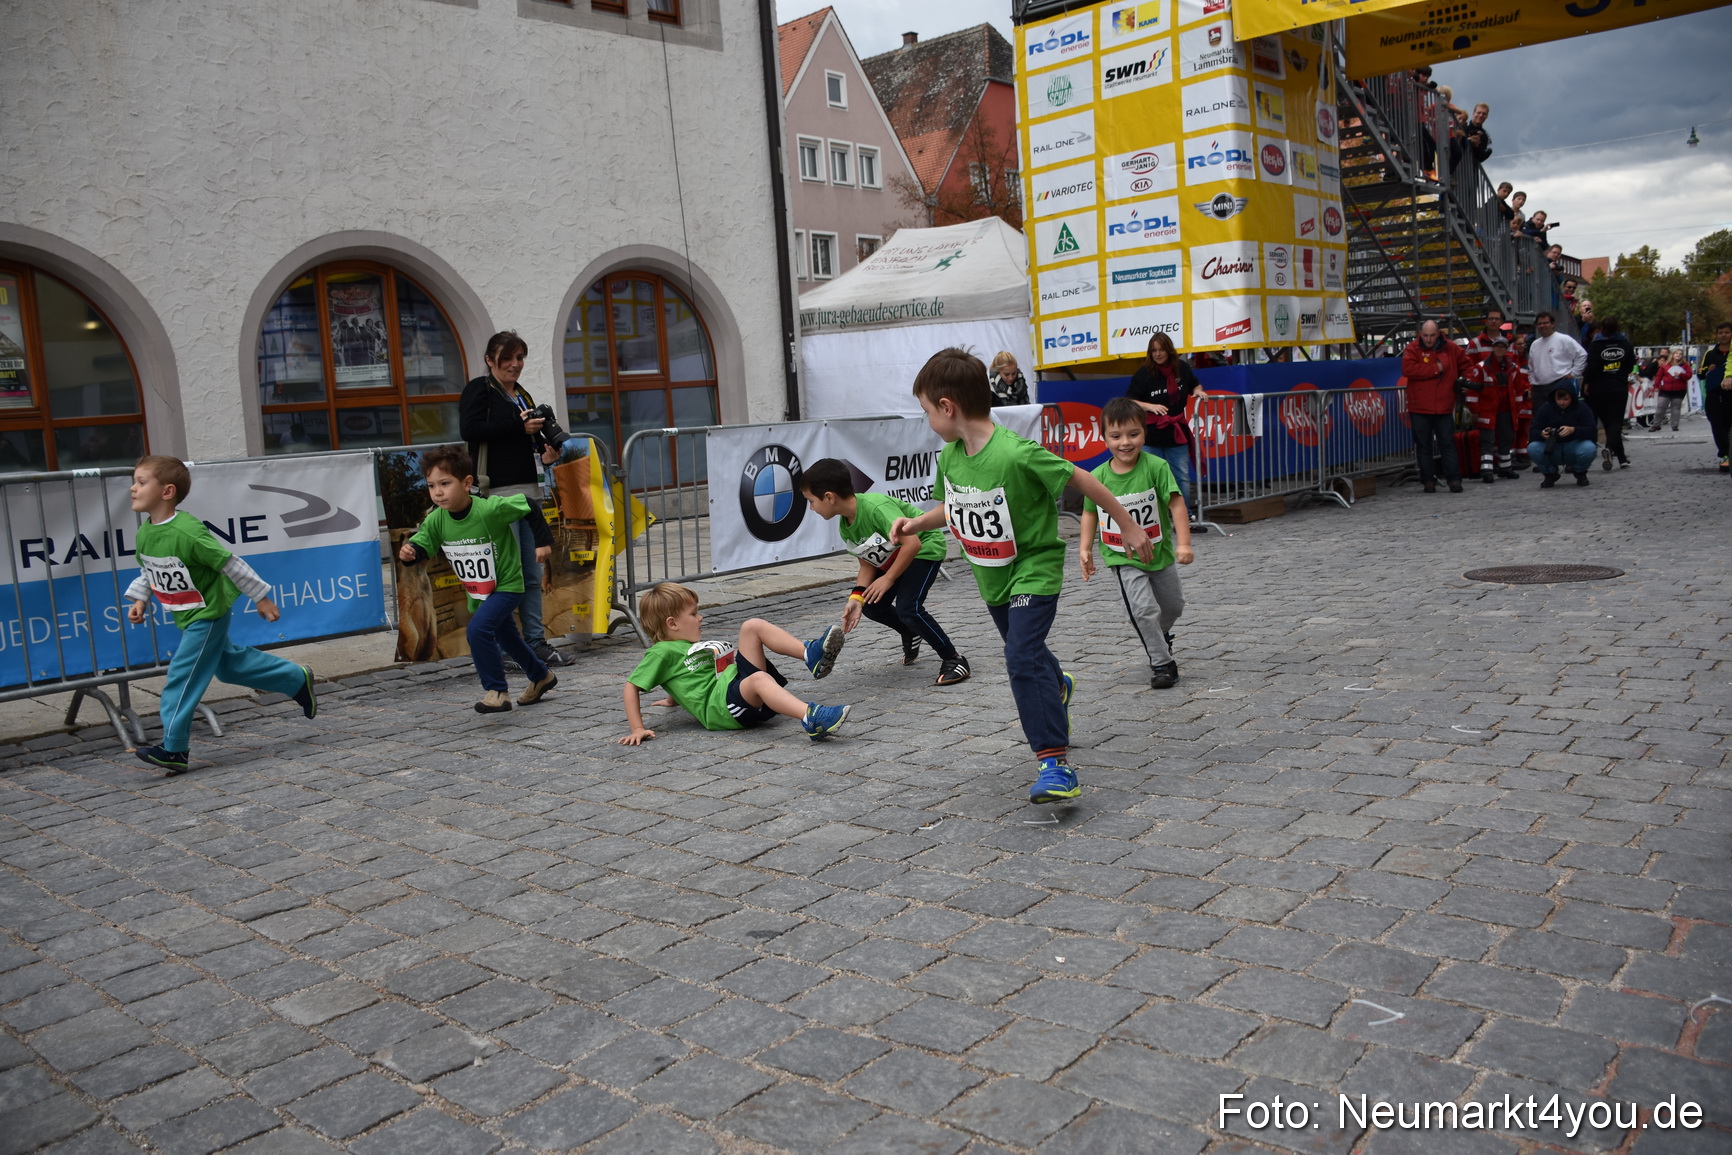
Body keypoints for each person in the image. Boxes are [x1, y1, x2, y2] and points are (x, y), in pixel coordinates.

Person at [888, 348, 1154, 805]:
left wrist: (1128, 524)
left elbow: (1084, 480)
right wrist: (914, 523)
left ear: (947, 407)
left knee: (1019, 659)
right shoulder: (951, 457)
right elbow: (950, 508)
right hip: (992, 578)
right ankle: (1057, 683)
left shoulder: (1016, 453)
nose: (927, 418)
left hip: (1034, 570)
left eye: (926, 410)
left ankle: (1055, 764)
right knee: (1028, 655)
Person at [123, 455, 317, 774]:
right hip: (186, 615)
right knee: (227, 666)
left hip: (208, 614)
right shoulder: (146, 533)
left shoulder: (187, 531)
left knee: (182, 676)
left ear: (167, 491)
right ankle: (297, 678)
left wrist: (261, 597)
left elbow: (229, 563)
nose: (133, 488)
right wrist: (140, 600)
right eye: (134, 481)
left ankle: (174, 748)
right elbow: (148, 569)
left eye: (141, 482)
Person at [397, 446, 558, 714]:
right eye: (431, 485)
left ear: (467, 483)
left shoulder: (490, 509)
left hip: (507, 584)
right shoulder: (436, 519)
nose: (438, 492)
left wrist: (542, 542)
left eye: (445, 484)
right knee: (507, 638)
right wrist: (409, 554)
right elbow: (422, 544)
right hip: (480, 592)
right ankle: (541, 676)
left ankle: (496, 691)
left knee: (477, 631)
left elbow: (528, 505)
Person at [798, 457, 969, 686]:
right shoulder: (845, 525)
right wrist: (856, 598)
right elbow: (867, 563)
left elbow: (913, 544)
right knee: (872, 604)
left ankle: (953, 659)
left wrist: (888, 579)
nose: (810, 508)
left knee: (909, 607)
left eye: (810, 501)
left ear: (829, 497)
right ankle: (910, 631)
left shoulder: (875, 507)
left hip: (925, 548)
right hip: (897, 557)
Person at [458, 331, 569, 670]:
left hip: (528, 490)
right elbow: (471, 430)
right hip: (496, 493)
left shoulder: (521, 394)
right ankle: (505, 645)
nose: (515, 364)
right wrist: (515, 424)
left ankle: (535, 642)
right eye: (508, 358)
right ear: (491, 359)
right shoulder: (480, 389)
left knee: (531, 573)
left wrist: (545, 453)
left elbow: (525, 440)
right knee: (507, 574)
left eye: (520, 358)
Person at [618, 582, 849, 744]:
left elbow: (682, 674)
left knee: (752, 626)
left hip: (733, 686)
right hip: (725, 707)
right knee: (759, 679)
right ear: (672, 623)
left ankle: (811, 655)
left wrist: (674, 698)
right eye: (693, 614)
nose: (700, 618)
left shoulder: (682, 645)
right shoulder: (660, 653)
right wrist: (638, 728)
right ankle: (812, 719)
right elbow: (631, 687)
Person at [1079, 398, 1194, 689]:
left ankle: (1159, 635)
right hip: (1122, 557)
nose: (1125, 443)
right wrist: (1085, 549)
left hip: (1160, 552)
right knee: (1143, 610)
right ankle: (1162, 663)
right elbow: (1089, 513)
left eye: (1133, 434)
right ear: (1103, 438)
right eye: (1115, 436)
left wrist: (1184, 543)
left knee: (1173, 606)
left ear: (1144, 433)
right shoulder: (1098, 477)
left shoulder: (1156, 466)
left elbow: (1177, 505)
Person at [1124, 332, 1206, 509]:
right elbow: (1130, 400)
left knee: (1181, 475)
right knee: (1150, 477)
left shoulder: (1182, 368)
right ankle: (1156, 514)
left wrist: (1198, 391)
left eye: (1161, 350)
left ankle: (1184, 513)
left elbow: (1195, 384)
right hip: (1151, 434)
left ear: (1169, 350)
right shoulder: (1144, 373)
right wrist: (1150, 406)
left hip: (1176, 433)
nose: (1158, 354)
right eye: (1154, 351)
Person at [1401, 319, 1464, 492]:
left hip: (1443, 405)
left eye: (1432, 335)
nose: (1428, 339)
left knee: (1447, 443)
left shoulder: (1450, 347)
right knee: (1424, 446)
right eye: (1426, 335)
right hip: (1420, 406)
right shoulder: (1412, 348)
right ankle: (1428, 481)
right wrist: (1435, 369)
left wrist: (1463, 381)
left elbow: (1465, 362)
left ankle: (1454, 480)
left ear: (1438, 334)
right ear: (1420, 334)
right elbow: (1408, 370)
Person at [1462, 337, 1525, 481]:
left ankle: (1505, 468)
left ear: (1507, 349)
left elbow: (1519, 390)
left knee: (1506, 439)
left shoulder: (1513, 368)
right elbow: (1473, 391)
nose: (1500, 349)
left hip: (1506, 410)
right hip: (1487, 410)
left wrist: (1517, 409)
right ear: (1493, 347)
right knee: (1487, 441)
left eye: (1503, 347)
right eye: (1497, 346)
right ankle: (1487, 471)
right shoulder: (1481, 368)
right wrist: (1475, 410)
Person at [1581, 316, 1635, 469]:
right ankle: (1611, 450)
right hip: (1618, 386)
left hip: (1598, 387)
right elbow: (1631, 364)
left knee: (1606, 422)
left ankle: (1621, 457)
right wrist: (1620, 373)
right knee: (1615, 422)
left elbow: (1591, 367)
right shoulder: (1625, 343)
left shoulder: (1595, 345)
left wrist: (1587, 382)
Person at [1528, 382, 1599, 487]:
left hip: (1574, 446)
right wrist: (1542, 433)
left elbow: (1592, 431)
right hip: (1552, 447)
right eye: (1559, 399)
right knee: (1533, 448)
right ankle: (1550, 473)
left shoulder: (1582, 408)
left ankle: (1580, 472)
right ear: (1554, 397)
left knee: (1589, 448)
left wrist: (1573, 430)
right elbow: (1533, 430)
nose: (1561, 403)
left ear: (1572, 398)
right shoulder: (1546, 408)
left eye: (1565, 399)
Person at [1526, 311, 1587, 420]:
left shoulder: (1564, 339)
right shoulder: (1534, 344)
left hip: (1558, 385)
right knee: (1540, 420)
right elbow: (1531, 367)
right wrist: (1531, 382)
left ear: (1553, 324)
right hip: (1538, 390)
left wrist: (1573, 373)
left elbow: (1582, 355)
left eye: (1546, 323)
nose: (1542, 326)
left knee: (1560, 418)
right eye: (1540, 323)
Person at [1699, 323, 1731, 471]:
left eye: (1726, 332)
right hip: (1714, 395)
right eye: (1720, 333)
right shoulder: (1710, 354)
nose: (1723, 335)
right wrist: (1708, 370)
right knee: (1718, 426)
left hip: (1730, 395)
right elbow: (1700, 373)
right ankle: (1725, 455)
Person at [1654, 347, 1693, 431]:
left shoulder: (1685, 365)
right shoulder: (1666, 365)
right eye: (1676, 353)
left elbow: (1689, 375)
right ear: (1673, 354)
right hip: (1665, 389)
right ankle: (1656, 424)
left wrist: (1681, 375)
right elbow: (1658, 376)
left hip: (1679, 390)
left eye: (1680, 354)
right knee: (1661, 407)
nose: (1678, 355)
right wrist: (1656, 386)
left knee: (1675, 408)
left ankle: (1674, 425)